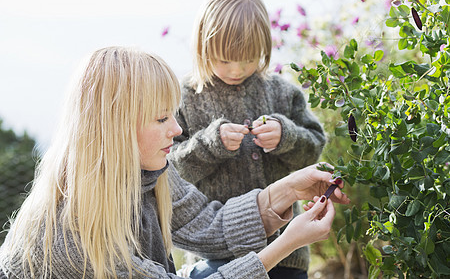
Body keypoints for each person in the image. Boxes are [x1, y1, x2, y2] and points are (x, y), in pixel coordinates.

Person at [0, 46, 348, 279]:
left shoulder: (149, 172)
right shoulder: (73, 230)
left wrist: (287, 189)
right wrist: (285, 245)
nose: (178, 129)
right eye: (162, 118)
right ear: (117, 128)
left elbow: (209, 225)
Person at [168, 0, 326, 278]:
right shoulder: (184, 98)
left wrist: (286, 137)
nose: (237, 70)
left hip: (286, 251)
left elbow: (313, 150)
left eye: (249, 59)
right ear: (203, 48)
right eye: (225, 60)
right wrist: (209, 144)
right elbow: (171, 174)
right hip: (218, 255)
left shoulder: (281, 92)